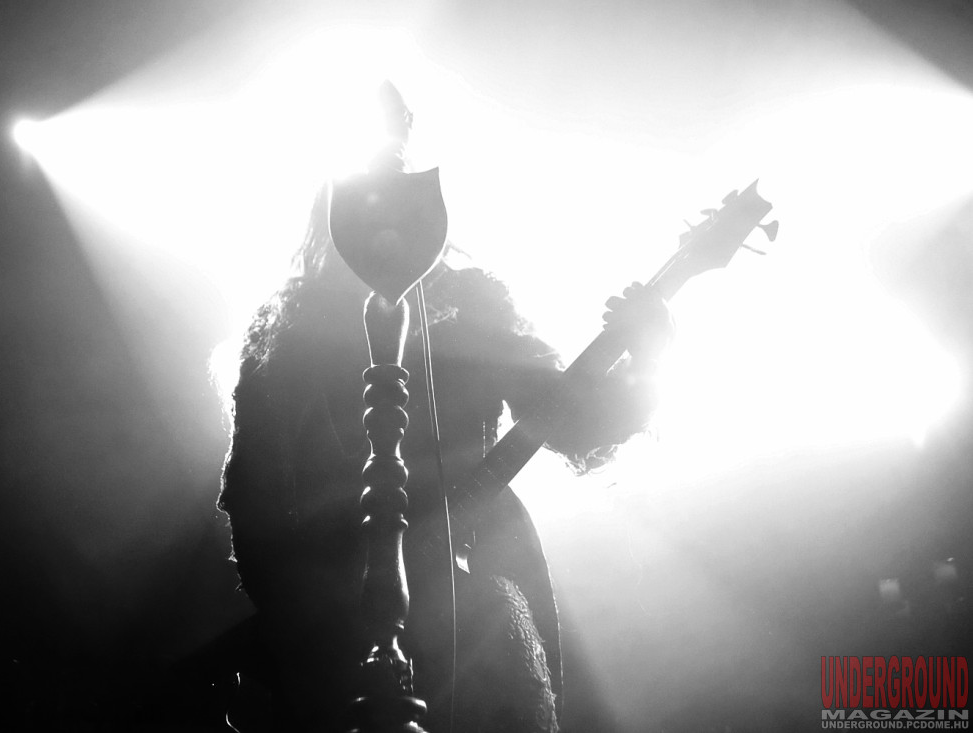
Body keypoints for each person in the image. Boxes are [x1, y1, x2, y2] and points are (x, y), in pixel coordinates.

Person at [217, 175, 673, 732]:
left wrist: (648, 357)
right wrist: (305, 625)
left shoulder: (472, 303)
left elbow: (578, 424)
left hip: (471, 613)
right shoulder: (286, 330)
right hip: (324, 640)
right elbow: (250, 499)